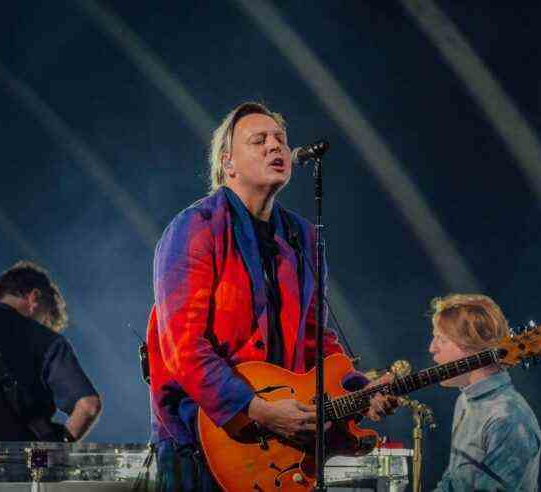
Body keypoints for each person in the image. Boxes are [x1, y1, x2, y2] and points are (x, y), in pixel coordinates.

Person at [146, 101, 396, 491]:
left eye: (280, 139)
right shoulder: (195, 228)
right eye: (259, 140)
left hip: (279, 449)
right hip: (202, 439)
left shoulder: (304, 238)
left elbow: (316, 340)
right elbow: (183, 346)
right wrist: (257, 409)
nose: (275, 147)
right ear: (228, 164)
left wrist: (356, 387)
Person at [0, 261, 101, 442]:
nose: (44, 324)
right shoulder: (45, 340)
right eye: (46, 317)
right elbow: (88, 406)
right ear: (35, 298)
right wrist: (55, 455)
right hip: (19, 465)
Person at [429, 294, 541, 492]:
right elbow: (453, 481)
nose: (432, 348)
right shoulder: (465, 400)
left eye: (442, 339)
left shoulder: (508, 417)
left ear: (471, 346)